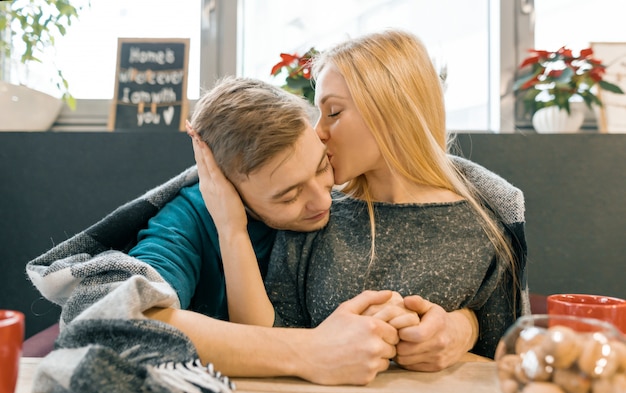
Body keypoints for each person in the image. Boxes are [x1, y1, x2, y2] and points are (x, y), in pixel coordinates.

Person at [193, 29, 529, 363]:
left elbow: (504, 354)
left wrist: (463, 327)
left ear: (393, 110)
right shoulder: (318, 214)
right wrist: (231, 228)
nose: (317, 132)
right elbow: (267, 340)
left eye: (333, 112)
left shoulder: (484, 229)